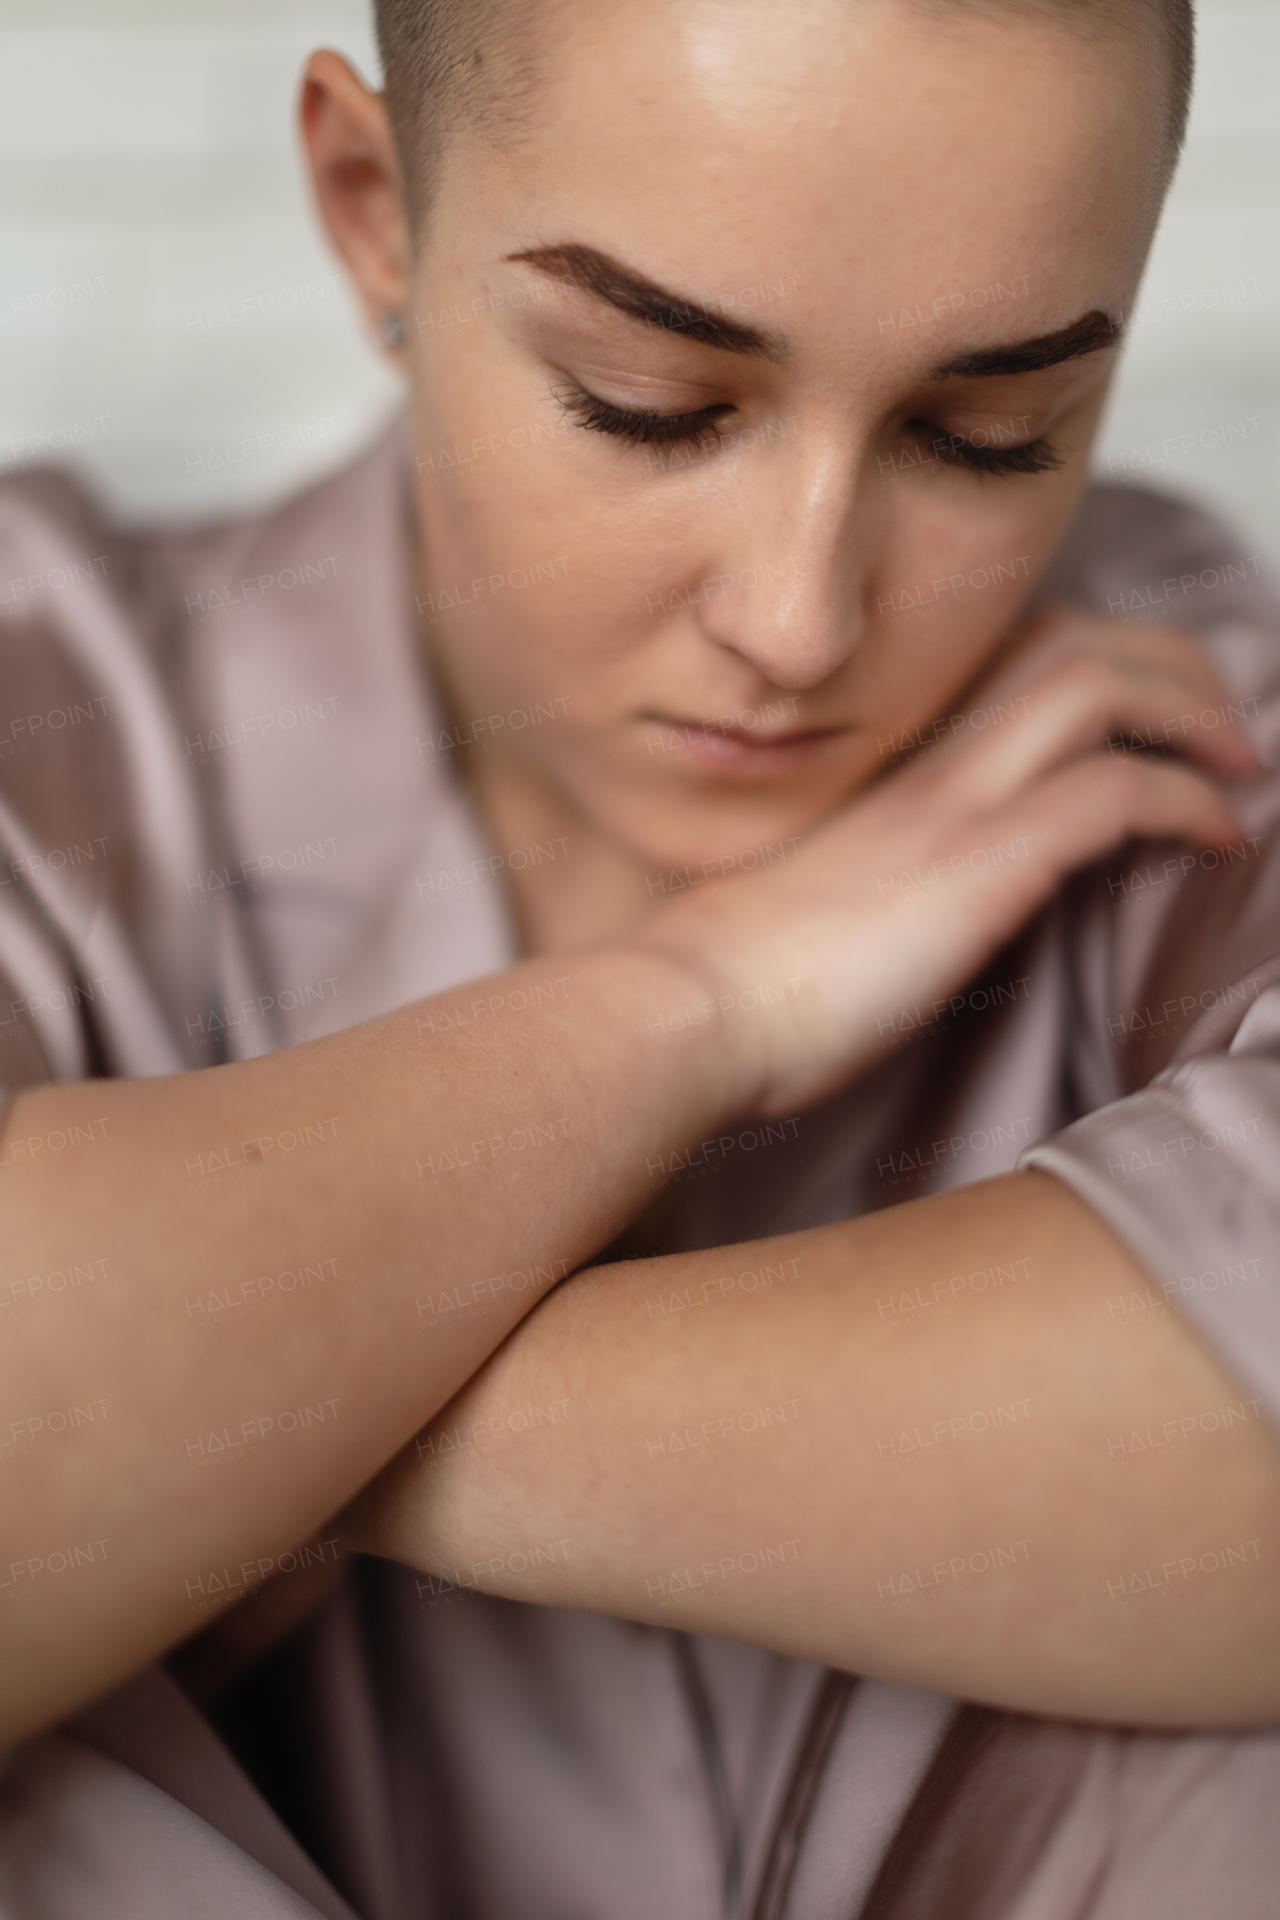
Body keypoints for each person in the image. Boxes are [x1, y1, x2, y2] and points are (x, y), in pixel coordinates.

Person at [1, 0, 1278, 1913]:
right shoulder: (49, 728)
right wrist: (708, 1003)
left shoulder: (1181, 717)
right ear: (370, 208)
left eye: (988, 433)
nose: (798, 617)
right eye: (650, 401)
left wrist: (218, 1420)